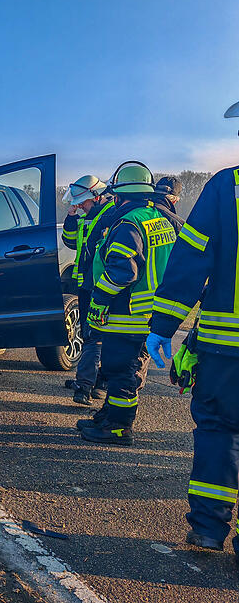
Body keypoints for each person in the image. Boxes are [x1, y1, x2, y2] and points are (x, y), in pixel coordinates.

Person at [146, 101, 239, 560]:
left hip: (227, 350)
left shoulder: (228, 187)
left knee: (219, 431)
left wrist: (163, 325)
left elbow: (190, 261)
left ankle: (207, 529)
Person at [80, 161, 177, 445]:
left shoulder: (128, 224)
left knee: (120, 371)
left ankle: (119, 428)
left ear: (120, 195)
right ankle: (108, 416)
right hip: (150, 312)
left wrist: (99, 298)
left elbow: (123, 271)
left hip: (128, 314)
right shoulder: (157, 218)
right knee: (123, 367)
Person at [60, 175, 115, 405]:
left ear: (97, 196)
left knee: (98, 336)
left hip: (101, 286)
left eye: (83, 201)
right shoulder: (88, 215)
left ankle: (96, 384)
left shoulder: (111, 215)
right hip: (86, 284)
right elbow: (71, 242)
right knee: (88, 332)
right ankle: (89, 380)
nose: (80, 205)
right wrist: (71, 218)